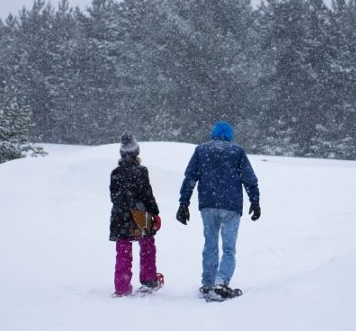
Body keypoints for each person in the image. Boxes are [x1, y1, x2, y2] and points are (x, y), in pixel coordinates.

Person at [176, 120, 260, 301]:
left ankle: (207, 284)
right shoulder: (237, 151)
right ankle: (221, 282)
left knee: (210, 244)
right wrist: (255, 201)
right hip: (231, 206)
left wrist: (184, 203)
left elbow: (190, 177)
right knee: (229, 248)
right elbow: (250, 179)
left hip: (208, 204)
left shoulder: (201, 150)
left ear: (214, 134)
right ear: (230, 136)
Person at [109, 133, 162, 297]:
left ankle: (122, 287)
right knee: (147, 247)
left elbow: (113, 196)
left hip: (120, 215)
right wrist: (155, 213)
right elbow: (147, 195)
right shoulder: (141, 171)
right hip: (140, 214)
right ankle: (149, 280)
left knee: (123, 251)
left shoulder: (116, 173)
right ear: (136, 153)